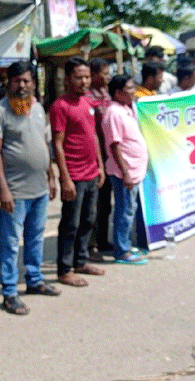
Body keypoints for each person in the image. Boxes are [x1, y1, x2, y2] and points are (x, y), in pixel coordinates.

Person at [0, 61, 60, 315]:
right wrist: (3, 190)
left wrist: (51, 176)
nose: (22, 85)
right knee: (10, 243)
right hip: (15, 190)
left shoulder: (37, 108)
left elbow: (44, 144)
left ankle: (35, 280)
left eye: (26, 81)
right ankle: (9, 292)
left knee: (35, 237)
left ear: (33, 83)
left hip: (39, 187)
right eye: (17, 81)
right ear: (9, 82)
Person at [50, 57, 106, 287]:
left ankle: (81, 260)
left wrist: (100, 166)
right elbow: (57, 144)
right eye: (78, 77)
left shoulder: (88, 103)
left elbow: (92, 136)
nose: (84, 81)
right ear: (68, 79)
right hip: (74, 175)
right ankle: (64, 269)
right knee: (70, 224)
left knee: (89, 220)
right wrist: (65, 178)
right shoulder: (60, 106)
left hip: (92, 173)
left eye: (86, 76)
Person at [101, 74, 149, 265]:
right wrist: (126, 173)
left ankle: (126, 244)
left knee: (130, 208)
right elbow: (114, 145)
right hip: (124, 172)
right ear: (119, 93)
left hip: (134, 170)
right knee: (125, 211)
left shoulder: (126, 109)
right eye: (129, 88)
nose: (133, 91)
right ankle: (121, 251)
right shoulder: (113, 113)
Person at [85, 58, 113, 261]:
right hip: (96, 159)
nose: (108, 76)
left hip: (111, 157)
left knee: (106, 203)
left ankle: (103, 240)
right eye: (104, 72)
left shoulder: (108, 94)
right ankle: (91, 245)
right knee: (94, 205)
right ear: (93, 75)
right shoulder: (87, 98)